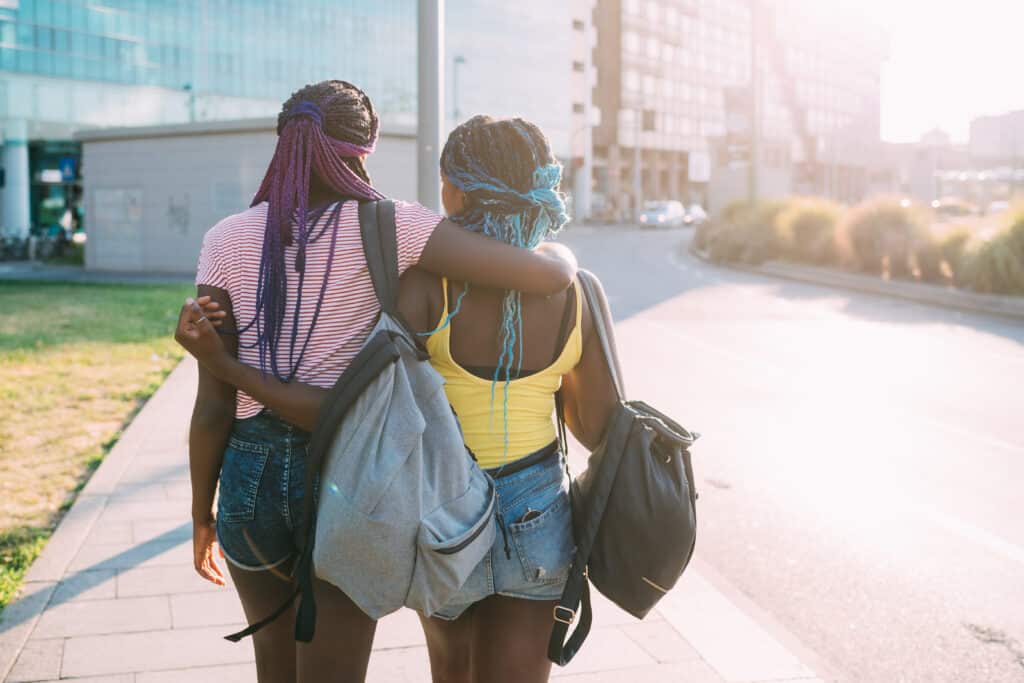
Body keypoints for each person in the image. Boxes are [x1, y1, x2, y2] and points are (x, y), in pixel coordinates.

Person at [185, 81, 579, 683]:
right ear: (364, 149)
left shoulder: (225, 239)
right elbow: (539, 276)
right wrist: (565, 260)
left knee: (273, 668)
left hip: (248, 479)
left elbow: (213, 407)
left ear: (284, 144)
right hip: (344, 477)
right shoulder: (396, 227)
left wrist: (200, 516)